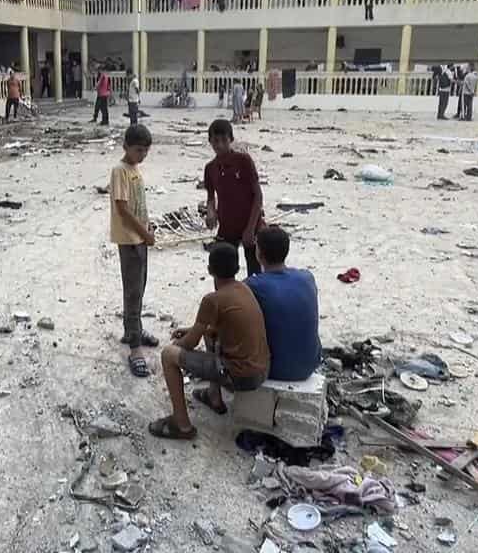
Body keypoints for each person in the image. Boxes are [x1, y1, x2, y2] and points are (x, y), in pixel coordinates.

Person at [148, 241, 270, 439]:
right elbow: (216, 327)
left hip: (239, 376)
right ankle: (214, 397)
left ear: (209, 270)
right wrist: (193, 329)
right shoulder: (244, 289)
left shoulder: (212, 299)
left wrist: (178, 345)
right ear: (237, 268)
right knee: (209, 332)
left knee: (168, 355)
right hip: (262, 370)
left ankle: (182, 424)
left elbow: (189, 344)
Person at [111, 124, 157, 377]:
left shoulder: (135, 170)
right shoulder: (120, 171)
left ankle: (134, 329)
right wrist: (143, 233)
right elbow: (123, 209)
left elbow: (139, 206)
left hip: (140, 238)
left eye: (146, 151)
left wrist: (148, 228)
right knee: (133, 291)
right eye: (138, 150)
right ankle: (135, 347)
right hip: (130, 240)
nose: (142, 155)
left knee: (140, 286)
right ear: (125, 146)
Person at [246, 226, 321, 381]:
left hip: (277, 369)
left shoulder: (253, 286)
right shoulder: (307, 277)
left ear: (259, 253)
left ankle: (214, 393)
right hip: (310, 363)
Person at [205, 119, 265, 277]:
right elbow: (211, 197)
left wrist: (251, 229)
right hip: (227, 226)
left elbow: (258, 195)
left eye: (224, 140)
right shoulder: (210, 168)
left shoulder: (243, 161)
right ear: (210, 142)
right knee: (222, 271)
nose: (219, 145)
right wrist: (210, 212)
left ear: (231, 140)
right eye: (215, 141)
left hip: (251, 222)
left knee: (255, 273)